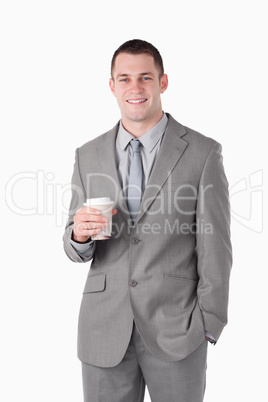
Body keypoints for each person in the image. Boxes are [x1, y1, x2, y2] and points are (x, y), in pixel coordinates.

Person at [63, 39, 232, 402]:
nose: (135, 88)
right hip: (103, 329)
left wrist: (209, 322)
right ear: (112, 86)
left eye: (145, 77)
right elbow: (75, 247)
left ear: (163, 82)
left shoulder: (203, 153)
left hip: (178, 329)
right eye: (124, 79)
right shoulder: (87, 154)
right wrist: (78, 234)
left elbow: (216, 246)